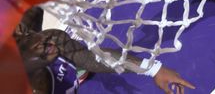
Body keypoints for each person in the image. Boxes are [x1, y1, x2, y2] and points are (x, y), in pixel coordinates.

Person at [14, 5, 195, 93]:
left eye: (29, 33)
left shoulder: (52, 40)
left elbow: (94, 59)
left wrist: (154, 69)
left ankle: (71, 70)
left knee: (36, 15)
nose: (44, 39)